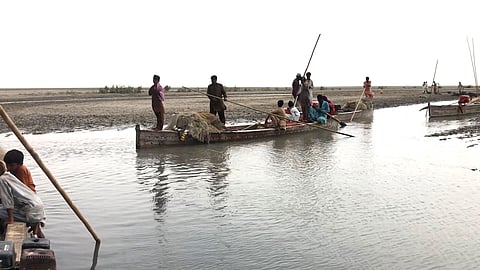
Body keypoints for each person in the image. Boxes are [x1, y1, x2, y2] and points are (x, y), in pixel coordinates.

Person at [0, 161, 45, 238]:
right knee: (38, 233)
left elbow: (7, 201)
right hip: (37, 207)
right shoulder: (8, 175)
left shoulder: (2, 180)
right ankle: (35, 227)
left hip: (31, 210)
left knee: (1, 210)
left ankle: (32, 224)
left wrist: (11, 220)